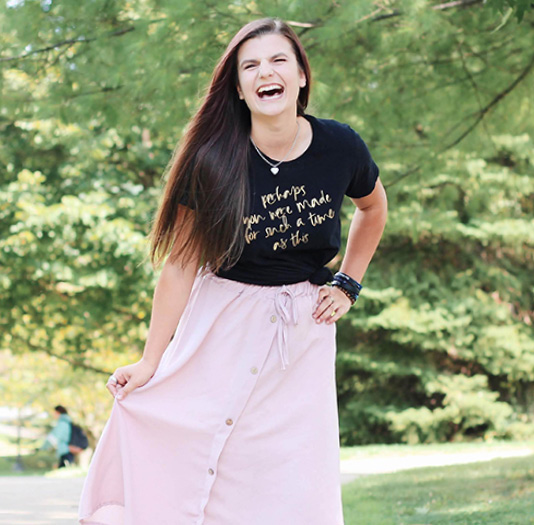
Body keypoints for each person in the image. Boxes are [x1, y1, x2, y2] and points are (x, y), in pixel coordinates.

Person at [78, 17, 388, 524]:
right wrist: (151, 359)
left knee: (289, 473)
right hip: (222, 318)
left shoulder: (340, 146)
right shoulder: (213, 159)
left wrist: (349, 282)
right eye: (251, 66)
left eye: (278, 60)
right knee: (201, 454)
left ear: (301, 76)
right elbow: (179, 266)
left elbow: (373, 208)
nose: (266, 72)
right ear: (240, 89)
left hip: (303, 330)